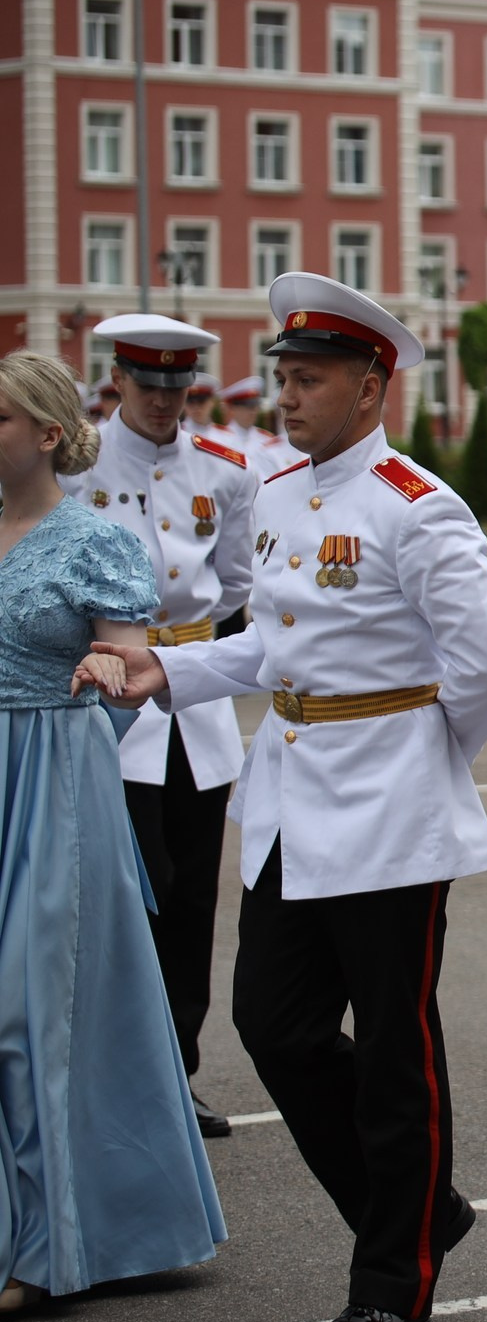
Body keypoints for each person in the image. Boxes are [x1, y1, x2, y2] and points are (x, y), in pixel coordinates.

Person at [97, 270, 487, 1322]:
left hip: (390, 809)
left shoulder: (419, 509)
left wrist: (423, 762)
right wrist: (166, 670)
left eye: (310, 378)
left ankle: (394, 1281)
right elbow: (268, 646)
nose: (285, 396)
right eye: (281, 376)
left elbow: (486, 676)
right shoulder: (275, 494)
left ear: (370, 387)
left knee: (393, 1052)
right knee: (271, 1027)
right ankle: (423, 1211)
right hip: (287, 800)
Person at [1, 350, 226, 1319]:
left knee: (31, 1010)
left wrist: (104, 668)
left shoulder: (92, 540)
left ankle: (45, 1241)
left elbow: (130, 663)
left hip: (55, 779)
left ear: (46, 435)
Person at [59, 314, 258, 1139]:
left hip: (195, 708)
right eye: (149, 389)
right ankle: (120, 1074)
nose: (165, 405)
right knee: (128, 894)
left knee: (187, 901)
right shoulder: (77, 466)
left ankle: (177, 1073)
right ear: (118, 381)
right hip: (107, 700)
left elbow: (238, 581)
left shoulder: (225, 470)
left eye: (178, 390)